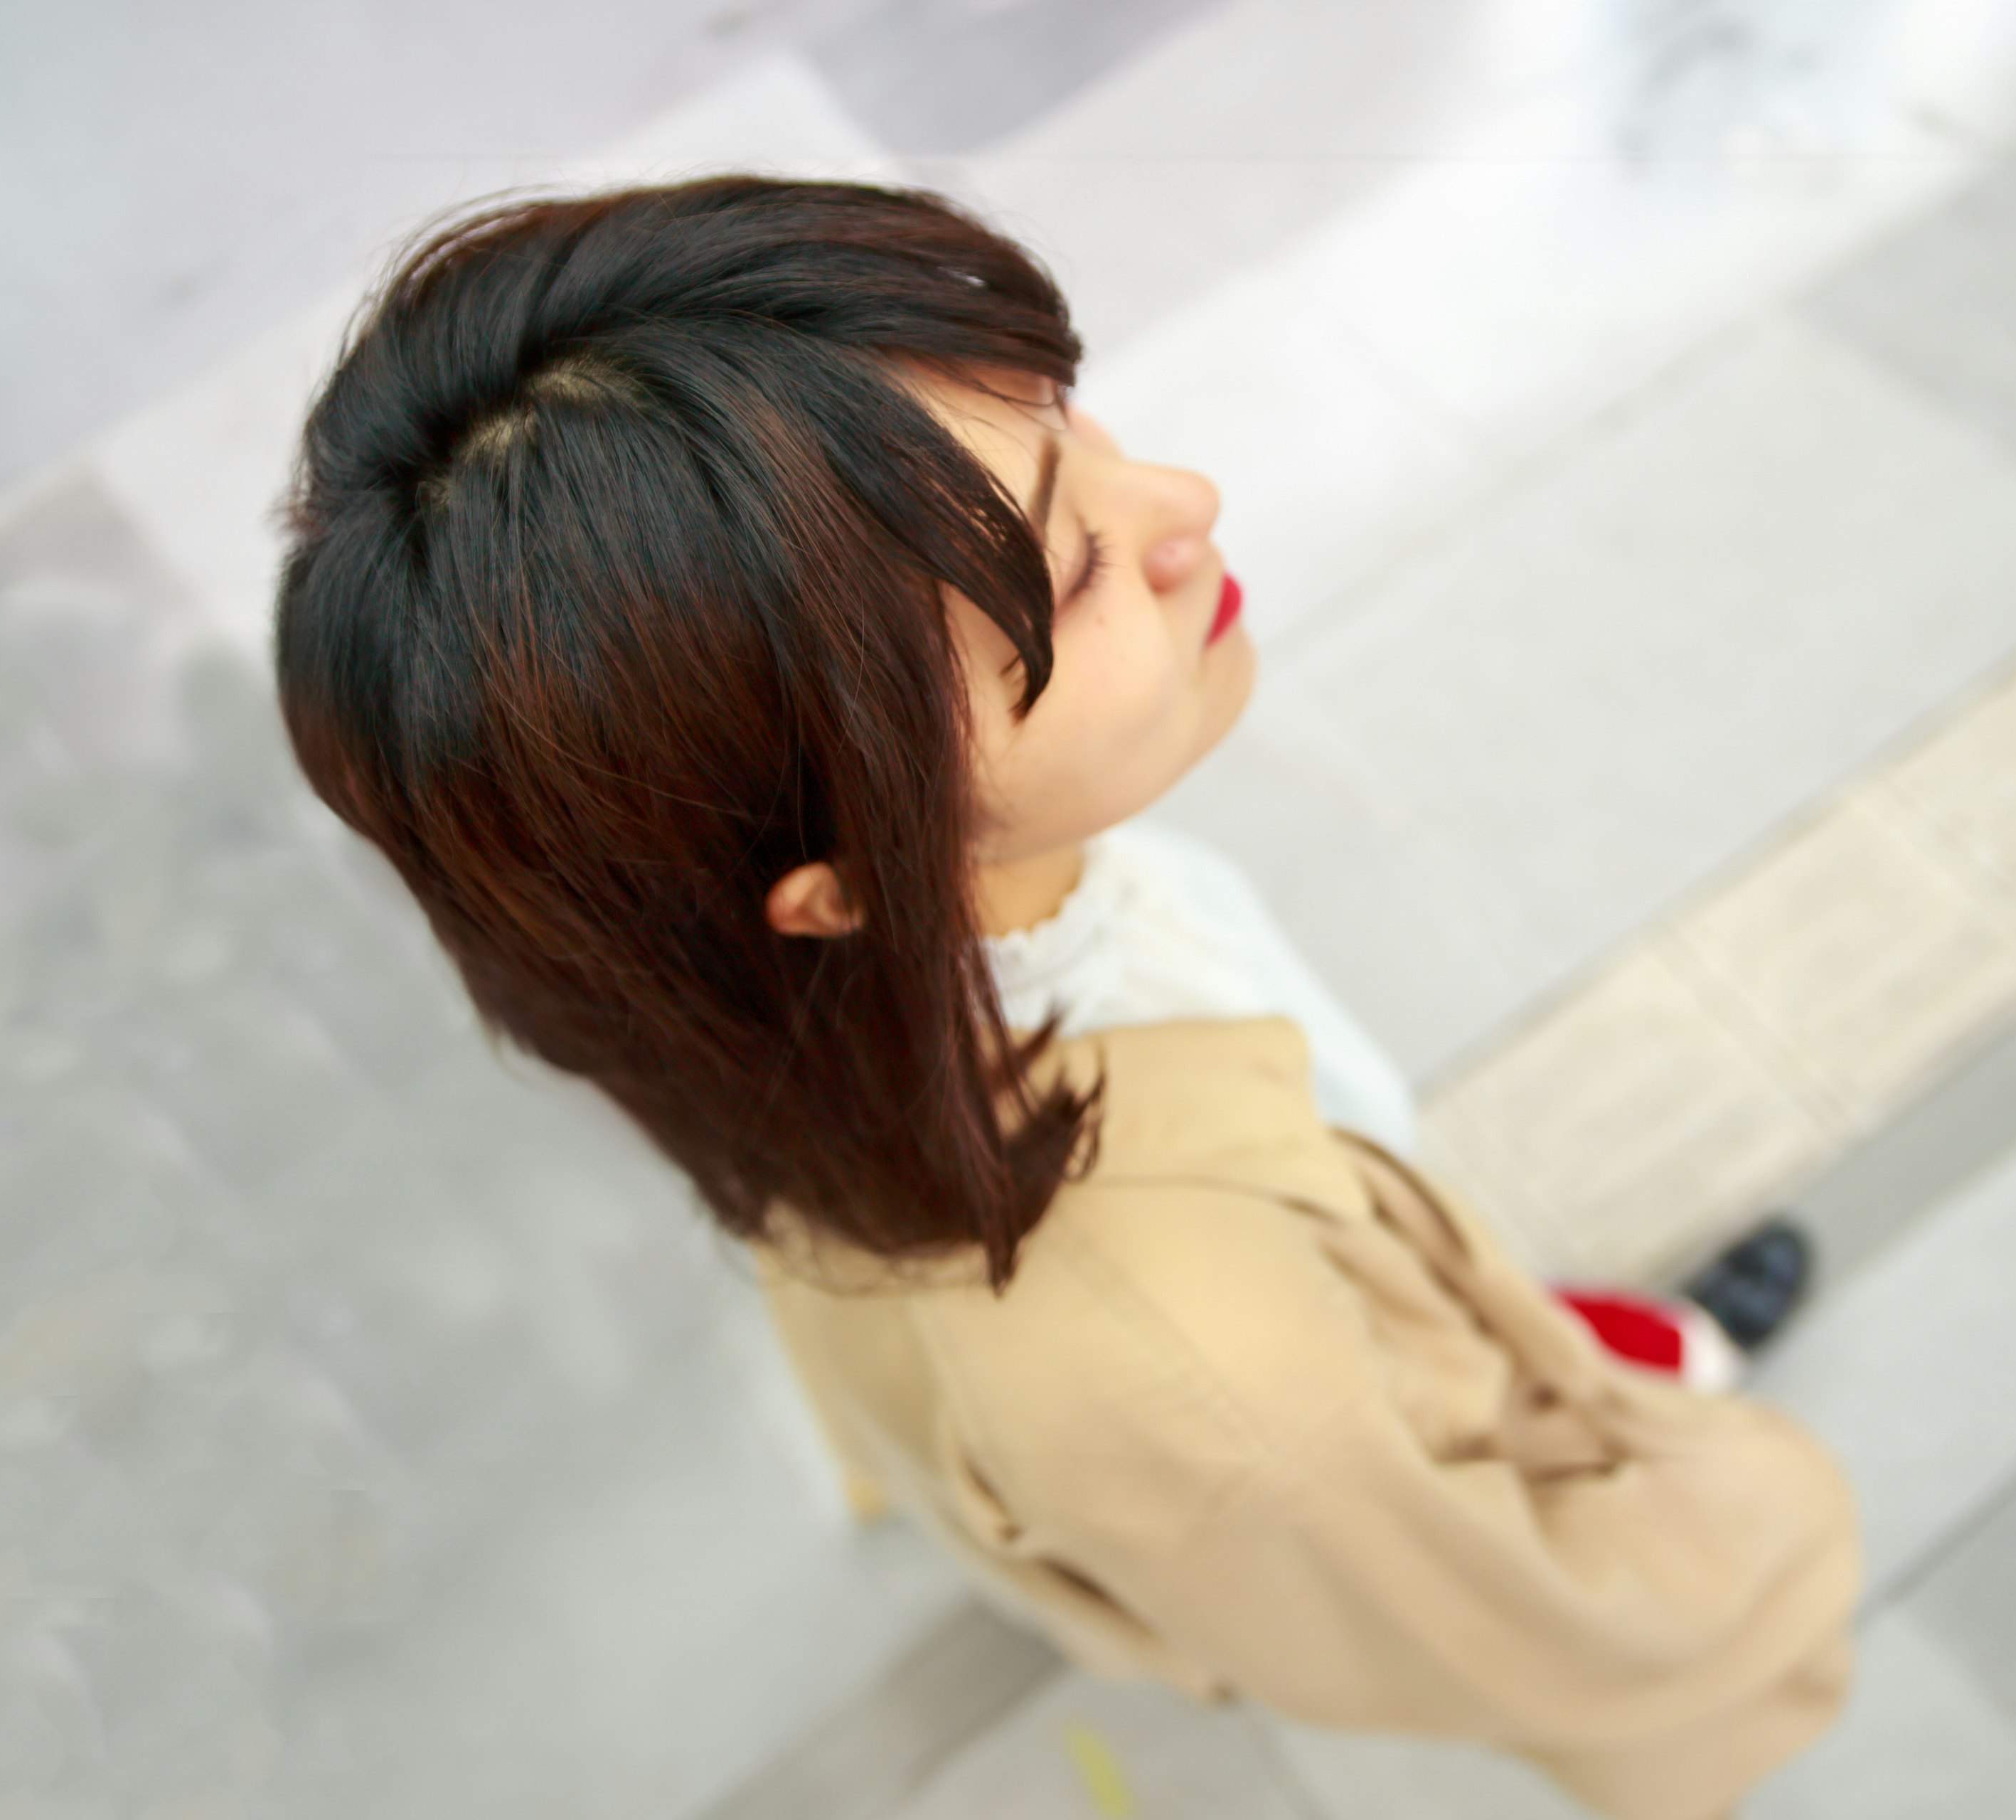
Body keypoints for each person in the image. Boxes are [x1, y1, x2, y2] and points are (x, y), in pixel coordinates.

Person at [273, 176, 1858, 1820]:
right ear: (838, 875)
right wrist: (1753, 1511)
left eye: (1070, 424)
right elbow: (1540, 1625)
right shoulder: (1203, 1371)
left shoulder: (767, 991)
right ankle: (1624, 1369)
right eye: (1071, 569)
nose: (1184, 499)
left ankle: (1523, 1329)